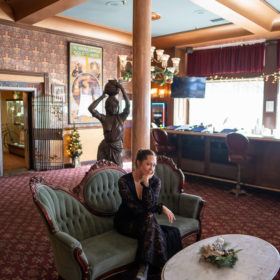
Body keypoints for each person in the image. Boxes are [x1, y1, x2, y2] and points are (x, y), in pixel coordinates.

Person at [114, 149, 182, 280]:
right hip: (126, 221)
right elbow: (135, 209)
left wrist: (146, 184)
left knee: (150, 219)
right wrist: (161, 207)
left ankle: (144, 267)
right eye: (148, 164)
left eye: (154, 165)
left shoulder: (155, 181)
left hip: (145, 221)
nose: (152, 168)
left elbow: (149, 206)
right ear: (138, 163)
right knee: (151, 219)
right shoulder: (124, 181)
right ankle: (163, 265)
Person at [88, 79, 130, 167]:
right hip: (104, 147)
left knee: (118, 168)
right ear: (106, 107)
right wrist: (102, 97)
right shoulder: (104, 118)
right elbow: (91, 109)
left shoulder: (121, 117)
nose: (113, 108)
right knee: (103, 167)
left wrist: (121, 87)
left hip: (116, 146)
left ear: (118, 107)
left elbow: (128, 105)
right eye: (110, 106)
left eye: (115, 106)